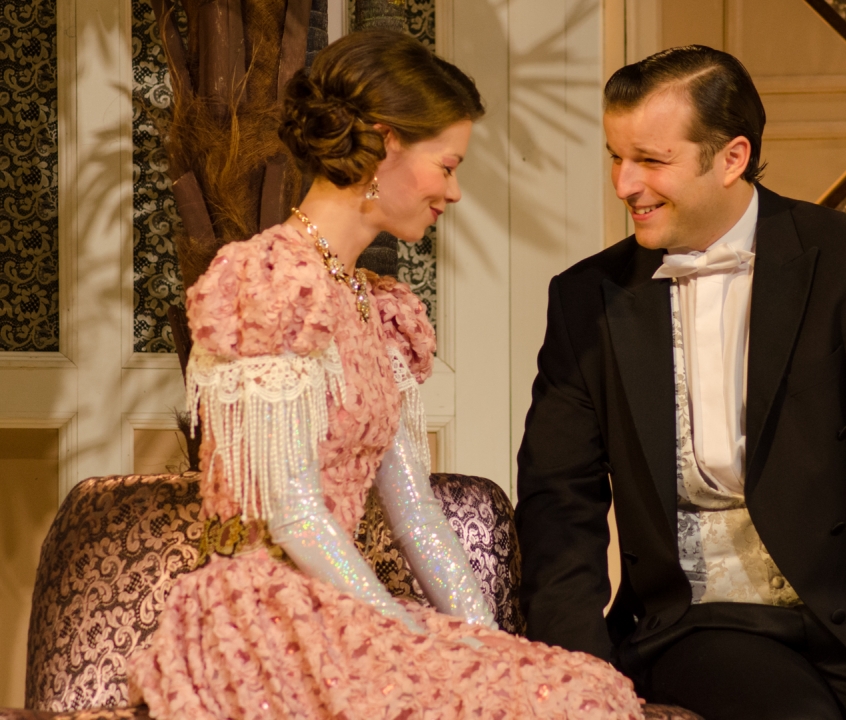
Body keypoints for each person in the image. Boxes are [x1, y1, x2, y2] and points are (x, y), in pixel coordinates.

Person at [127, 29, 644, 719]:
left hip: (340, 606)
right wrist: (402, 635)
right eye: (447, 165)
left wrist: (481, 641)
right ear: (385, 143)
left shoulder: (376, 307)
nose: (454, 192)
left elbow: (417, 516)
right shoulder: (269, 285)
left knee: (583, 691)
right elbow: (293, 515)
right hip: (261, 618)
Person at [516, 45, 846, 720]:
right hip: (695, 624)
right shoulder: (584, 298)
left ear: (731, 157)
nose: (623, 183)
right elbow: (559, 503)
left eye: (650, 160)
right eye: (616, 157)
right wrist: (577, 678)